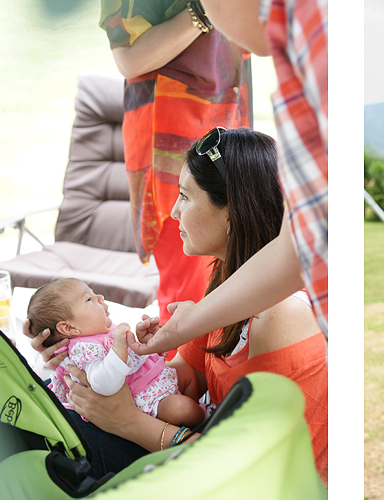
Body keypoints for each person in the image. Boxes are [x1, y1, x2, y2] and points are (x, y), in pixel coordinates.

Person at [26, 128, 328, 486]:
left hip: (269, 481)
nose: (173, 212)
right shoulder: (226, 284)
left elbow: (249, 462)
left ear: (231, 212)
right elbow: (180, 376)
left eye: (185, 196)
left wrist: (127, 420)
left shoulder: (278, 316)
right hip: (212, 453)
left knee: (50, 449)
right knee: (42, 415)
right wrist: (83, 356)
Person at [124, 0, 328, 357]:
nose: (230, 46)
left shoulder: (315, 44)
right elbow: (301, 245)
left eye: (184, 198)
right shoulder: (304, 47)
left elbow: (302, 247)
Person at [98, 0, 253, 336]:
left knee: (233, 262)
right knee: (187, 277)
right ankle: (176, 377)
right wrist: (205, 8)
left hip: (231, 121)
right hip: (171, 132)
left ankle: (210, 374)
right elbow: (130, 58)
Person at [26, 278, 205, 428]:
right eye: (89, 299)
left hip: (152, 379)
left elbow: (131, 357)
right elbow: (103, 384)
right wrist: (120, 345)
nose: (100, 298)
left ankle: (195, 416)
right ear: (68, 327)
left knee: (188, 374)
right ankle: (203, 418)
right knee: (182, 409)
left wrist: (144, 343)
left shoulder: (98, 331)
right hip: (141, 397)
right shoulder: (81, 349)